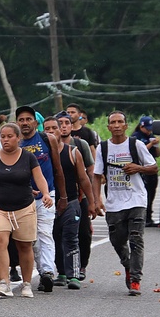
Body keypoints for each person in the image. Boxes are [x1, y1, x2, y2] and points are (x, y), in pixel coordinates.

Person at [93, 111, 158, 296]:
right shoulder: (103, 148)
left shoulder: (135, 145)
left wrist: (138, 168)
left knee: (136, 239)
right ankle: (128, 265)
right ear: (108, 127)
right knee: (117, 240)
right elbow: (97, 175)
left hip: (137, 199)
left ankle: (135, 280)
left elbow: (153, 168)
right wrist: (97, 199)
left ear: (126, 125)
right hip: (114, 203)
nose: (116, 125)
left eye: (120, 122)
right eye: (112, 122)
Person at [0, 123, 51, 298]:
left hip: (24, 207)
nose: (5, 140)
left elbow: (39, 177)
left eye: (9, 136)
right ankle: (4, 282)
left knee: (24, 245)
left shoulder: (28, 157)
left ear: (18, 138)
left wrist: (45, 194)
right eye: (2, 137)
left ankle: (26, 283)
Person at [15, 106, 66, 293]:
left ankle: (47, 272)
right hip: (23, 197)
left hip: (47, 194)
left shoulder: (48, 139)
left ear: (36, 123)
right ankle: (41, 269)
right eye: (21, 120)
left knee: (45, 232)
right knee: (30, 238)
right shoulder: (15, 142)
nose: (25, 123)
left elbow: (58, 170)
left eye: (29, 119)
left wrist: (63, 196)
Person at [42, 117, 94, 290]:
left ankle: (74, 275)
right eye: (47, 128)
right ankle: (61, 273)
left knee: (71, 238)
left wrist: (92, 202)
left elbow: (84, 179)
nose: (51, 131)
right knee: (52, 238)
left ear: (60, 131)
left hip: (71, 202)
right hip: (48, 204)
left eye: (54, 128)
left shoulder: (73, 152)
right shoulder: (41, 156)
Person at [54, 111, 100, 282]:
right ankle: (62, 271)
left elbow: (88, 173)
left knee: (83, 233)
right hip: (55, 199)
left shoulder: (79, 146)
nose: (63, 126)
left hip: (78, 197)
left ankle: (81, 266)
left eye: (67, 123)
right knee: (57, 235)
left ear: (71, 126)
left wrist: (94, 200)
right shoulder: (48, 148)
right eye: (60, 123)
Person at [131, 116, 160, 227]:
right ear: (141, 126)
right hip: (141, 169)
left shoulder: (151, 136)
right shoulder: (136, 137)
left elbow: (158, 154)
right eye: (147, 128)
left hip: (151, 168)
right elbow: (139, 150)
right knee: (143, 194)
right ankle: (140, 217)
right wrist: (150, 144)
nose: (149, 131)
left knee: (151, 194)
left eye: (151, 128)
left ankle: (148, 217)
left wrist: (156, 145)